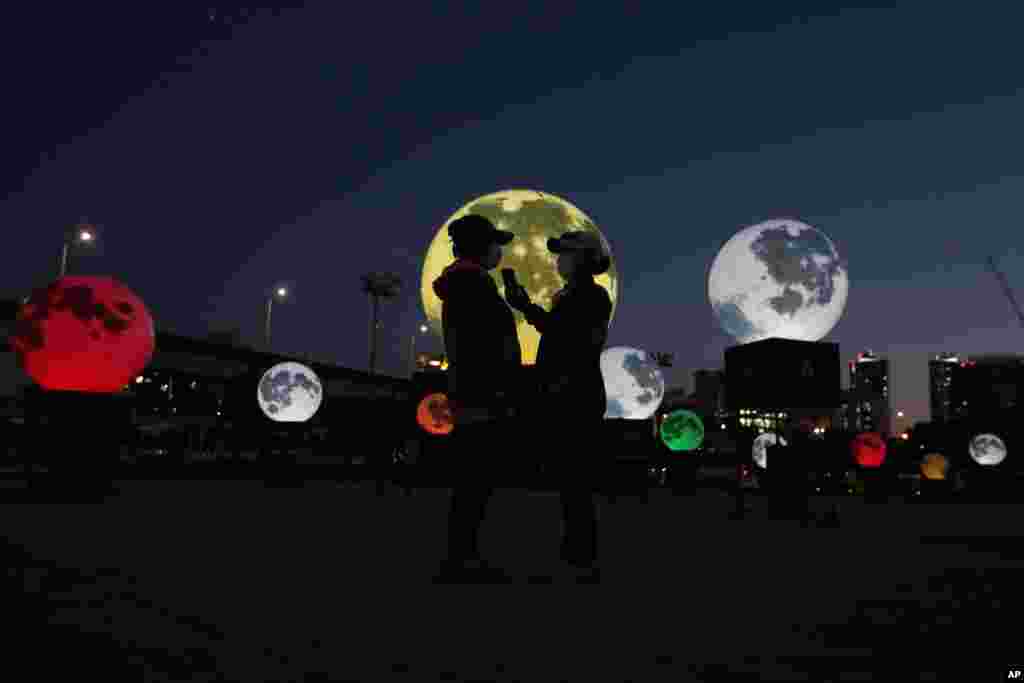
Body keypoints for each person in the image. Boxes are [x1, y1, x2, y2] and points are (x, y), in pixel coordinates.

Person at [505, 230, 613, 584]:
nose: (558, 260)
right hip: (569, 395)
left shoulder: (592, 297)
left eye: (564, 253)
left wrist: (526, 308)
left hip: (576, 398)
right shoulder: (575, 296)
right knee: (572, 480)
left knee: (576, 481)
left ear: (581, 258)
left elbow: (568, 339)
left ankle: (582, 554)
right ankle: (577, 550)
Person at [430, 214, 522, 583]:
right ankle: (462, 560)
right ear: (481, 247)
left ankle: (463, 556)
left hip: (475, 392)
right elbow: (483, 346)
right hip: (481, 394)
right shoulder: (472, 286)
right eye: (495, 243)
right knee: (474, 481)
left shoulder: (468, 284)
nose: (499, 250)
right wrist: (502, 389)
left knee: (473, 480)